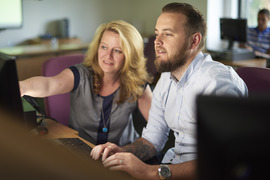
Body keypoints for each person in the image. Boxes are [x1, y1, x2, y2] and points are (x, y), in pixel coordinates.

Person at [90, 3, 248, 180]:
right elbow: (152, 139)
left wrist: (150, 172)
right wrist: (122, 152)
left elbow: (221, 162)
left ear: (194, 41)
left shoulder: (216, 83)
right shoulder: (165, 79)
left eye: (168, 34)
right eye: (157, 33)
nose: (157, 41)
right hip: (172, 165)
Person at [19, 20, 152, 146]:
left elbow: (158, 127)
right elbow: (49, 84)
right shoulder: (79, 74)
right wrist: (23, 87)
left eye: (117, 50)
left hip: (123, 155)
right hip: (82, 153)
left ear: (130, 55)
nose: (108, 56)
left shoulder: (137, 83)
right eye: (104, 47)